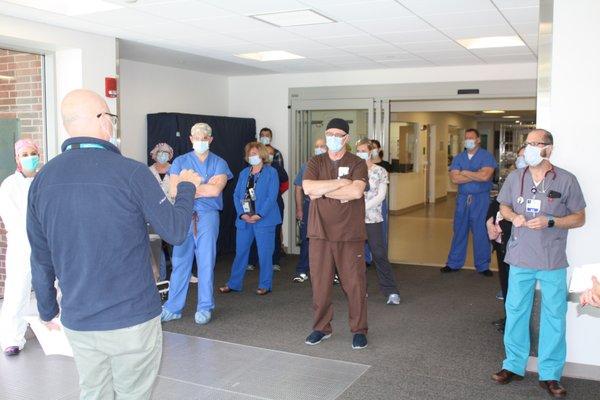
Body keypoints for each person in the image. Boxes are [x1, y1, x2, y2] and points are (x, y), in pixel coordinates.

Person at [27, 89, 200, 399]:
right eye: (110, 116)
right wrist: (186, 189)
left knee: (93, 392)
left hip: (79, 320)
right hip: (131, 319)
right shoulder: (131, 173)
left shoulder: (43, 180)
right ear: (102, 120)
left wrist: (47, 310)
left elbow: (40, 259)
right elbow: (175, 231)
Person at [491, 129, 586, 399]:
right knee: (516, 311)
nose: (530, 148)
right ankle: (513, 365)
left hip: (551, 259)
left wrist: (551, 221)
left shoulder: (566, 180)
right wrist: (513, 217)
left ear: (549, 149)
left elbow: (579, 218)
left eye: (536, 144)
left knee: (554, 316)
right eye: (528, 143)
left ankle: (551, 374)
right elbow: (504, 206)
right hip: (520, 256)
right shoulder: (515, 177)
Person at [302, 118, 369, 350]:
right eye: (329, 133)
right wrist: (340, 184)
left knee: (354, 284)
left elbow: (356, 192)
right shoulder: (315, 161)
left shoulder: (357, 163)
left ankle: (359, 329)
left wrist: (323, 191)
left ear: (346, 138)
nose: (332, 138)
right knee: (320, 284)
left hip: (349, 234)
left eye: (337, 134)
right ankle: (321, 328)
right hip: (320, 232)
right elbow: (309, 188)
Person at [160, 123, 233, 325]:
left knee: (206, 261)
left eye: (204, 138)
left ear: (210, 139)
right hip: (183, 215)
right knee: (180, 262)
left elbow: (215, 191)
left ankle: (205, 306)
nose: (200, 141)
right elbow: (174, 191)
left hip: (207, 215)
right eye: (196, 137)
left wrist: (189, 186)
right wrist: (202, 185)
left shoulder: (219, 163)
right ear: (190, 139)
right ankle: (173, 308)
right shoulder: (181, 161)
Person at [219, 142, 281, 295]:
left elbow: (271, 196)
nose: (252, 156)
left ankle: (265, 284)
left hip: (264, 219)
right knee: (241, 252)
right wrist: (242, 214)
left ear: (262, 155)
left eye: (255, 153)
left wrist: (259, 214)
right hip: (244, 219)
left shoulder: (271, 172)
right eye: (250, 154)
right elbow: (236, 195)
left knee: (265, 253)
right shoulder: (244, 173)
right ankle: (234, 283)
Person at [0, 139, 42, 356]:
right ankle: (11, 338)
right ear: (16, 158)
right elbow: (13, 220)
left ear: (39, 154)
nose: (29, 158)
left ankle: (59, 333)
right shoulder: (9, 186)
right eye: (24, 154)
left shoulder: (46, 180)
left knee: (58, 289)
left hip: (47, 245)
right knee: (17, 292)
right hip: (21, 246)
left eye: (32, 153)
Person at [441, 128, 497, 276]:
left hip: (481, 199)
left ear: (478, 140)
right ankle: (453, 263)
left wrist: (465, 172)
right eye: (466, 138)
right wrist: (476, 174)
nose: (468, 141)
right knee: (459, 230)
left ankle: (483, 265)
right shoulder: (459, 157)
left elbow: (485, 177)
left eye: (471, 138)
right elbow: (455, 178)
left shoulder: (486, 156)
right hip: (463, 199)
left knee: (481, 232)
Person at [356, 139, 400, 305]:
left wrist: (362, 208)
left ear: (370, 152)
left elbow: (381, 196)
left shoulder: (380, 171)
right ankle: (359, 290)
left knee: (379, 253)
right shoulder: (351, 171)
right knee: (356, 256)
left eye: (363, 150)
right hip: (353, 220)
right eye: (358, 150)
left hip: (372, 218)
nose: (360, 153)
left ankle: (391, 291)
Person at [487, 147, 526, 332]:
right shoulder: (513, 179)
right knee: (507, 281)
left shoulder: (542, 184)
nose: (521, 160)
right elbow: (497, 203)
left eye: (524, 157)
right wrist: (489, 222)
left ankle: (520, 324)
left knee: (521, 286)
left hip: (523, 243)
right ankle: (510, 319)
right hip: (503, 242)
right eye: (519, 157)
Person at [247, 144, 288, 272]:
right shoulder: (250, 170)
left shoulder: (276, 168)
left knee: (274, 233)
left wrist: (274, 193)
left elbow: (285, 184)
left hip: (274, 204)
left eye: (270, 153)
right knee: (253, 232)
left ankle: (274, 261)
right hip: (255, 204)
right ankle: (252, 261)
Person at [293, 138, 328, 283]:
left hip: (328, 206)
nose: (319, 148)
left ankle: (331, 273)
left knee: (330, 239)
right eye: (317, 146)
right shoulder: (306, 166)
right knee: (306, 238)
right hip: (309, 206)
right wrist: (299, 209)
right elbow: (298, 188)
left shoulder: (333, 166)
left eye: (322, 146)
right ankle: (302, 270)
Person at [149, 142, 175, 280]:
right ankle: (159, 278)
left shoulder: (176, 169)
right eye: (160, 153)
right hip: (154, 215)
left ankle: (183, 274)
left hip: (172, 213)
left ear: (170, 155)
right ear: (154, 155)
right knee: (156, 247)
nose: (163, 155)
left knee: (175, 246)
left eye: (166, 153)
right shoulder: (148, 171)